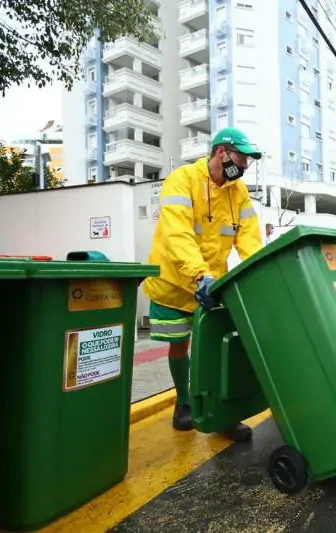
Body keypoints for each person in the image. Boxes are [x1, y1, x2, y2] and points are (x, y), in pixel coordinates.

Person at [143, 127, 264, 439]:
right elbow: (177, 234)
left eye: (249, 159)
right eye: (241, 157)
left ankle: (221, 414)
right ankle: (183, 405)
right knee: (179, 345)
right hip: (176, 279)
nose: (245, 165)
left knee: (217, 347)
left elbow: (248, 237)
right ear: (221, 152)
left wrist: (261, 270)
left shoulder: (238, 192)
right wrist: (200, 275)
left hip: (211, 283)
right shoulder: (182, 180)